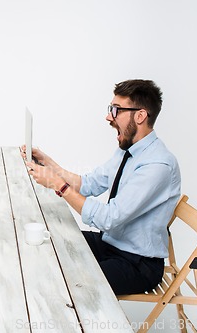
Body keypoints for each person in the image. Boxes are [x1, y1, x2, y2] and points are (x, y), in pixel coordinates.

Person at [23, 79, 181, 295]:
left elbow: (108, 218)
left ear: (140, 115)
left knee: (65, 279)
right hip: (110, 243)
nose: (109, 116)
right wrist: (49, 164)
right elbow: (89, 184)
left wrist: (58, 185)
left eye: (116, 110)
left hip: (136, 263)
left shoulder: (158, 165)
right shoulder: (127, 150)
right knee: (50, 242)